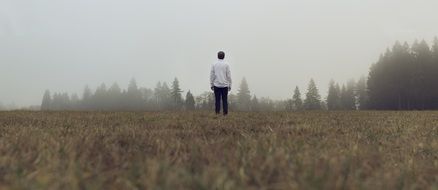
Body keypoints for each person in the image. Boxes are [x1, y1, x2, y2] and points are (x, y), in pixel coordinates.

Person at [210, 51, 232, 115]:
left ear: (217, 56)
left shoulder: (214, 64)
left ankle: (217, 113)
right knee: (225, 100)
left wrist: (211, 84)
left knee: (217, 100)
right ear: (224, 56)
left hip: (216, 85)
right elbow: (229, 76)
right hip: (225, 85)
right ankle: (225, 113)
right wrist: (230, 85)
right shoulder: (226, 64)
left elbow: (212, 75)